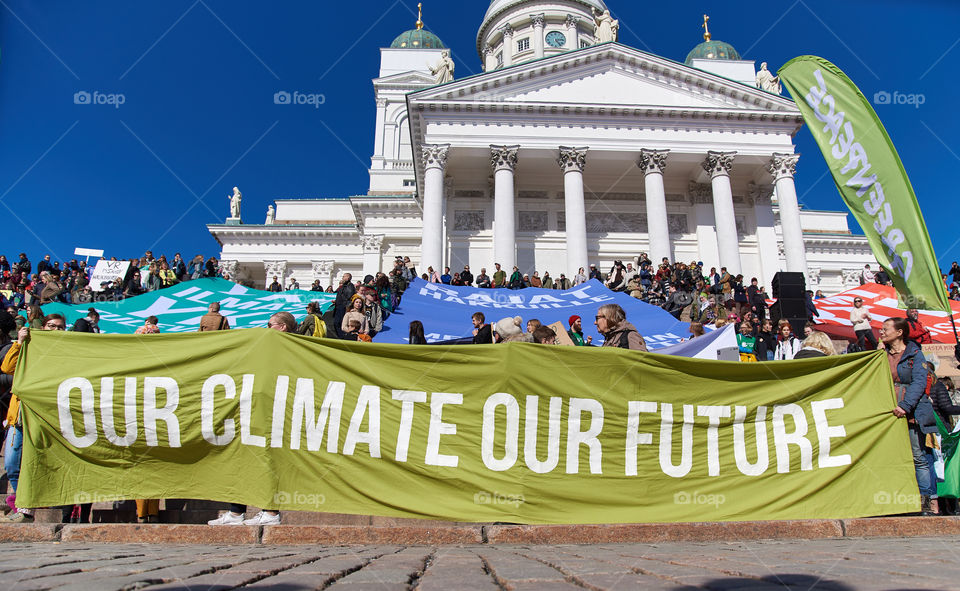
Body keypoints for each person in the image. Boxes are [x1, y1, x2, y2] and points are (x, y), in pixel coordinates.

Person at [208, 312, 291, 527]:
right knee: (241, 458)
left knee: (268, 461)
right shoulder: (266, 345)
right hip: (253, 408)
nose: (266, 327)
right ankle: (236, 512)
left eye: (270, 324)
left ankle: (271, 512)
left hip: (273, 412)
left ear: (282, 327)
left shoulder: (291, 349)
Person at [2, 313, 67, 523]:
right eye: (51, 326)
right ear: (43, 328)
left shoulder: (67, 351)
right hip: (20, 415)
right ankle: (20, 502)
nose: (56, 330)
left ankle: (26, 509)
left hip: (47, 417)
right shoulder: (29, 347)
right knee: (12, 464)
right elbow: (7, 368)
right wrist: (20, 343)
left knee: (41, 461)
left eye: (60, 327)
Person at [882, 317, 939, 515]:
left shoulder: (915, 354)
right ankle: (897, 502)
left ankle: (926, 504)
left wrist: (905, 406)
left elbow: (919, 383)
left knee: (919, 458)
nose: (882, 332)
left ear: (899, 332)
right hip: (889, 414)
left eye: (886, 329)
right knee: (891, 458)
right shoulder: (882, 355)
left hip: (911, 413)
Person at [332, 273, 355, 338]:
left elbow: (348, 297)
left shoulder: (350, 286)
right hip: (339, 307)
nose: (342, 278)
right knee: (336, 323)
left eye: (344, 276)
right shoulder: (343, 286)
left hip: (343, 307)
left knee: (339, 323)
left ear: (348, 278)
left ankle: (342, 336)